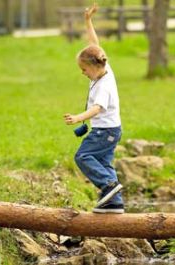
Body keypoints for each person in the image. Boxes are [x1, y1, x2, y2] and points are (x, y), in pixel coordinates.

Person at [64, 3, 124, 214]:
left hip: (104, 131)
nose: (83, 73)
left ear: (95, 66)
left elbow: (97, 109)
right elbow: (94, 43)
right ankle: (115, 202)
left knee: (83, 156)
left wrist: (78, 117)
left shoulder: (103, 85)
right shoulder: (103, 66)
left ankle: (109, 186)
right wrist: (88, 20)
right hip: (112, 130)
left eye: (84, 69)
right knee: (104, 162)